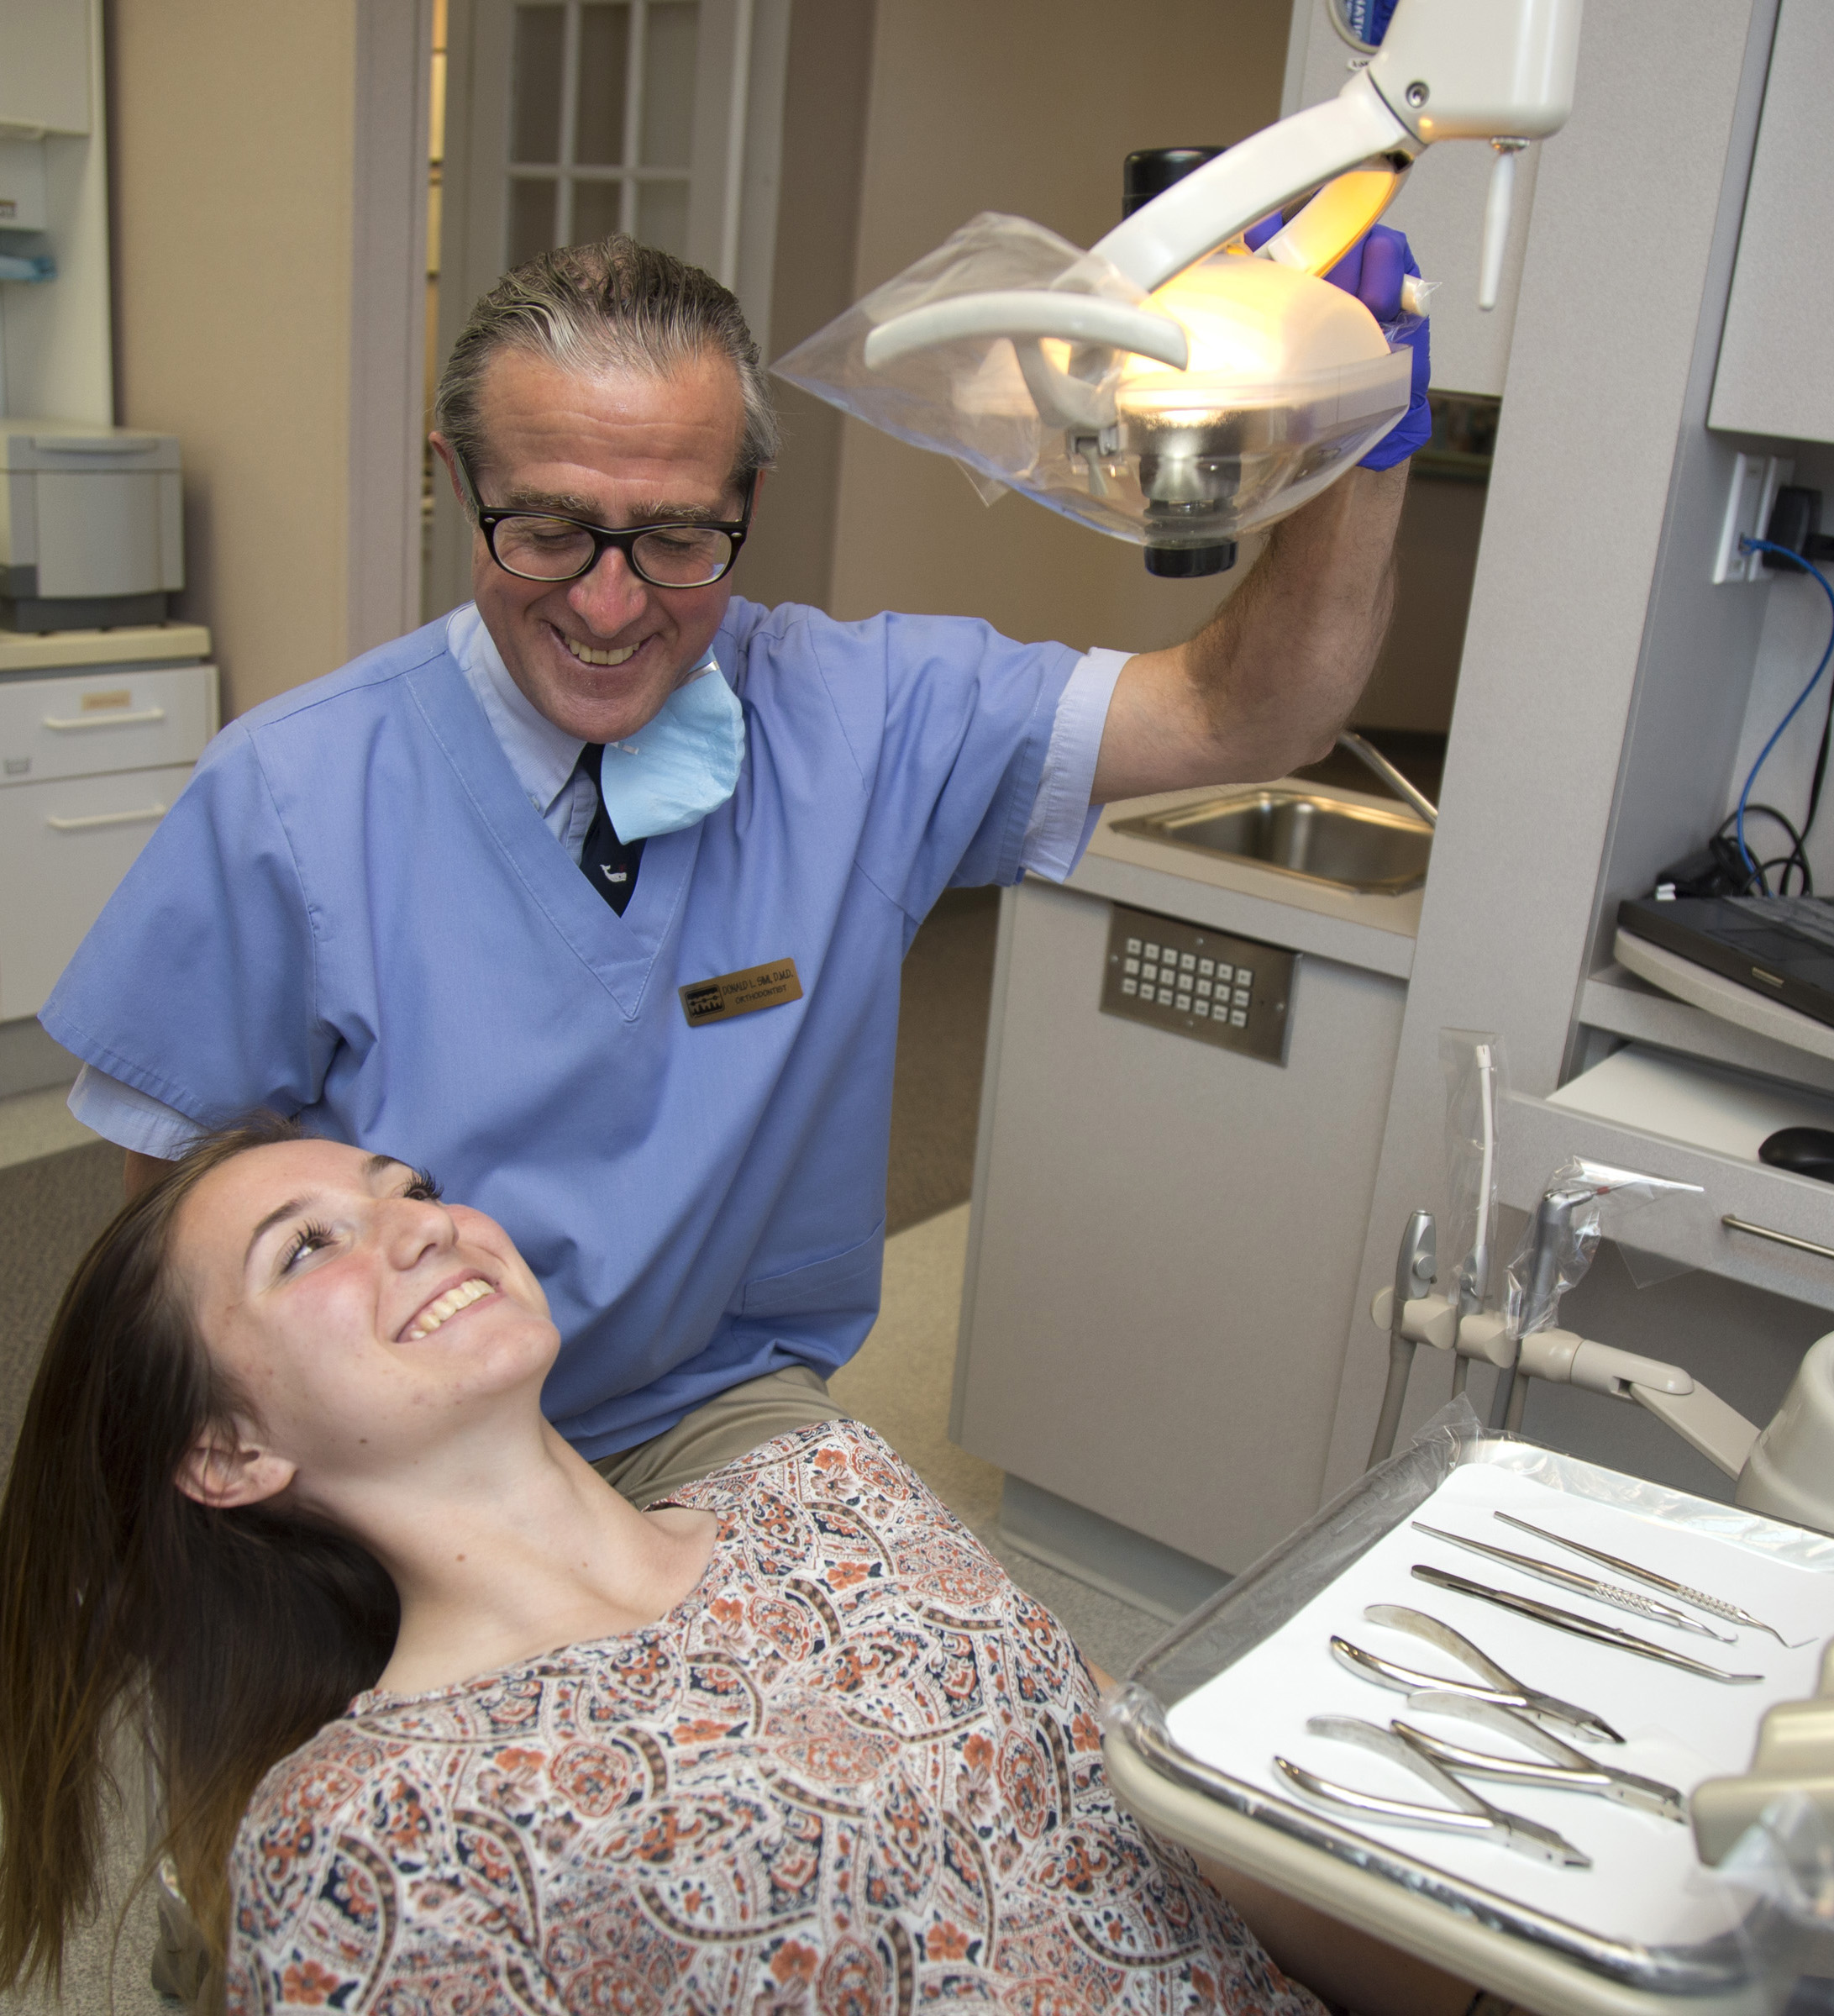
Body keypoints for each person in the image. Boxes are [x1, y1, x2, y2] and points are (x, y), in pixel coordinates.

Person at [41, 234, 1418, 1509]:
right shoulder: (292, 794)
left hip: (717, 1407)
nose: (608, 604)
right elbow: (177, 1255)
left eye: (680, 538)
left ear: (748, 501)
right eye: (546, 529)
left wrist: (1357, 442)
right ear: (458, 486)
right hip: (399, 1435)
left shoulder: (863, 718)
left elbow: (1247, 715)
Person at [0, 1122, 1472, 2013]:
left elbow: (1173, 1810)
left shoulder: (820, 1477)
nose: (419, 1224)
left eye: (407, 1189)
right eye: (306, 1246)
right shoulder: (373, 1833)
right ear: (229, 1453)